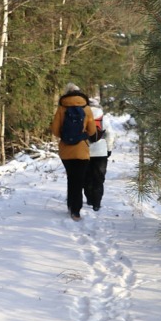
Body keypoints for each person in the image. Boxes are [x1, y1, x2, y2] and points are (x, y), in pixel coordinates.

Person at [51, 83, 96, 221]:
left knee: (71, 178)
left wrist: (66, 137)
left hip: (66, 150)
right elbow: (93, 131)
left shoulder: (61, 108)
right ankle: (76, 211)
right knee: (79, 180)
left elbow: (55, 130)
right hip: (82, 149)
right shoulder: (87, 108)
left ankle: (71, 206)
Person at [84, 97, 114, 211]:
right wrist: (109, 149)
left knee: (87, 178)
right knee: (99, 179)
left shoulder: (83, 116)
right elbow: (110, 134)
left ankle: (89, 199)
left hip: (85, 151)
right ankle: (97, 203)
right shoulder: (103, 118)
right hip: (101, 152)